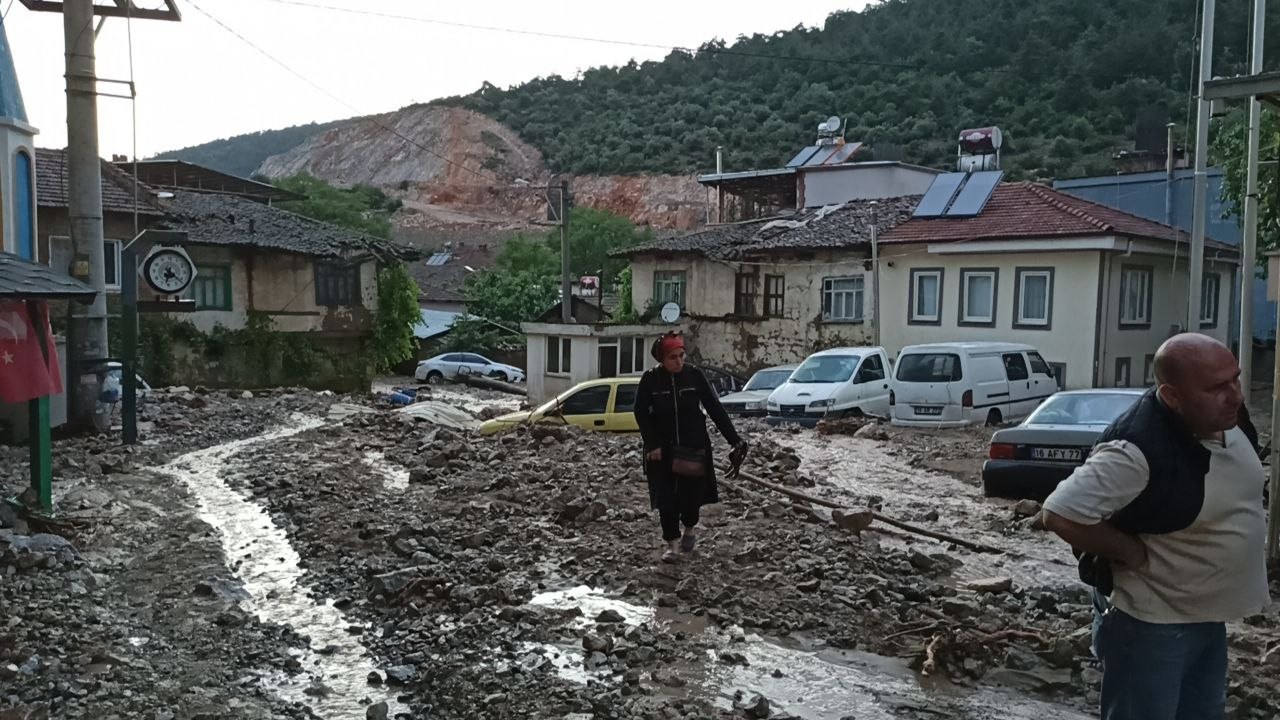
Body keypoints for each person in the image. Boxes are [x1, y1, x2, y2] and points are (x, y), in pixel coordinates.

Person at [1041, 333, 1270, 720]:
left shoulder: (1226, 416)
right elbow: (1059, 513)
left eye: (1235, 379)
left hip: (1206, 614)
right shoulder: (1136, 449)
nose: (1235, 395)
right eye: (1216, 387)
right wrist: (1129, 551)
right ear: (1172, 396)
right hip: (1152, 624)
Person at [633, 332, 746, 563]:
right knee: (666, 501)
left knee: (691, 498)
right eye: (673, 357)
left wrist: (734, 440)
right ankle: (672, 546)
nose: (679, 361)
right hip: (662, 452)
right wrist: (652, 444)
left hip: (693, 448)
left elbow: (714, 408)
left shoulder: (694, 376)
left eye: (681, 355)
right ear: (662, 359)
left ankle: (690, 528)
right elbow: (640, 413)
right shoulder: (650, 380)